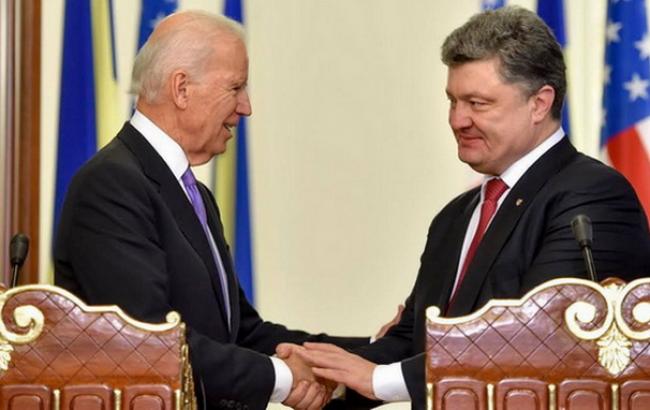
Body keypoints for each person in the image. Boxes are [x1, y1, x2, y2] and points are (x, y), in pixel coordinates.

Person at [285, 6, 650, 409]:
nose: (458, 120)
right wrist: (325, 374)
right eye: (453, 101)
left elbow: (542, 338)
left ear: (539, 103)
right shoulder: (455, 217)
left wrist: (378, 380)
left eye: (478, 103)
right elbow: (413, 338)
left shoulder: (592, 195)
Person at [54, 10, 381, 410]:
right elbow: (148, 344)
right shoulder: (112, 185)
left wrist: (373, 354)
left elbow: (241, 333)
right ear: (181, 88)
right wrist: (284, 377)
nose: (246, 107)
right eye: (236, 87)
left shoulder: (193, 193)